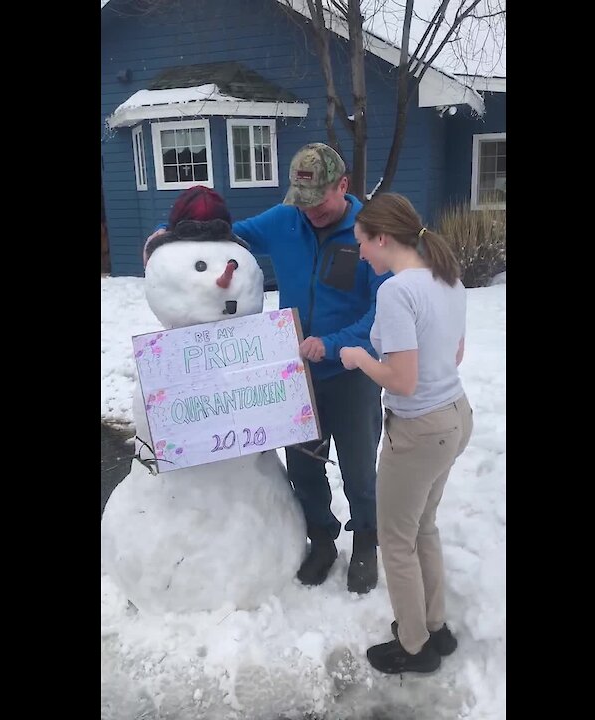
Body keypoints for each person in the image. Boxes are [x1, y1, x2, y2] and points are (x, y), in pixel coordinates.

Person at [144, 143, 389, 594]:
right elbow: (219, 235)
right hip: (294, 375)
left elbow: (384, 313)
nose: (309, 212)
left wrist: (332, 344)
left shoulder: (371, 233)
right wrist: (167, 235)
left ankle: (366, 542)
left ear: (343, 185)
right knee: (304, 467)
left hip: (352, 374)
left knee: (358, 468)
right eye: (302, 202)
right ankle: (322, 541)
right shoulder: (284, 220)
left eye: (319, 202)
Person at [338, 192, 472, 674]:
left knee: (396, 540)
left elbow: (402, 381)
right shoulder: (447, 277)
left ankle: (414, 646)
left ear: (381, 238)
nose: (362, 255)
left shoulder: (396, 291)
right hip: (456, 415)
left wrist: (358, 359)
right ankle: (434, 625)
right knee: (424, 527)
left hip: (418, 429)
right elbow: (454, 354)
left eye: (362, 245)